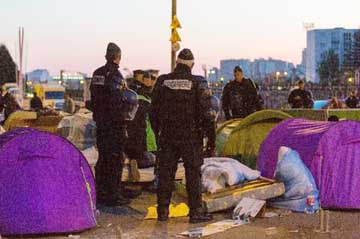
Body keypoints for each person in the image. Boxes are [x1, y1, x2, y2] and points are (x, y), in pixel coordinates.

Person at [151, 48, 214, 224]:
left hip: (168, 135)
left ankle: (162, 211)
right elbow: (208, 114)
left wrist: (159, 134)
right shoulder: (198, 82)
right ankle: (195, 212)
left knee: (166, 173)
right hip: (191, 136)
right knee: (193, 174)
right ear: (192, 65)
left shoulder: (163, 81)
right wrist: (210, 141)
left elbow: (153, 111)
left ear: (177, 62)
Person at [90, 42, 138, 207]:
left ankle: (100, 192)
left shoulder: (97, 73)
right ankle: (113, 194)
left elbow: (94, 97)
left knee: (103, 159)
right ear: (118, 58)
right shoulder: (116, 76)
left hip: (101, 123)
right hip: (114, 125)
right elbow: (119, 101)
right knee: (116, 160)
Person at [126, 71, 157, 170]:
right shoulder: (146, 101)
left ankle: (132, 161)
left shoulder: (129, 97)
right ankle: (137, 162)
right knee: (153, 160)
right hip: (146, 142)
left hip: (129, 140)